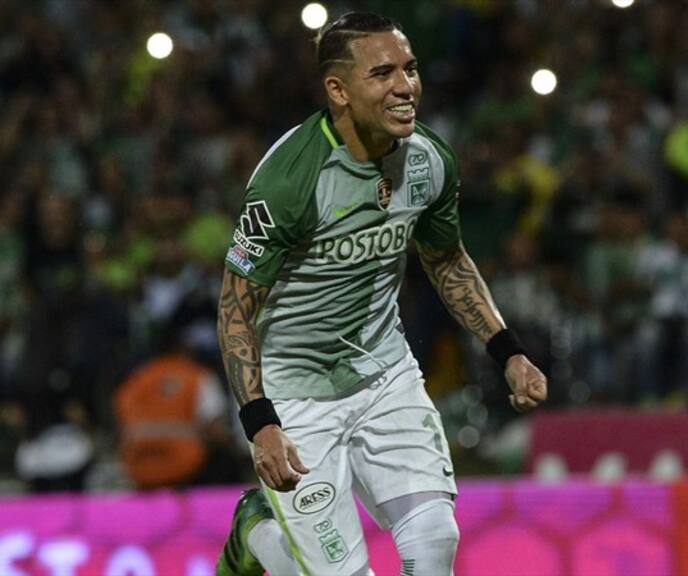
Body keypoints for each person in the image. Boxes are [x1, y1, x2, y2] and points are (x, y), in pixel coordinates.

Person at [216, 12, 547, 576]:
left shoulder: (428, 160)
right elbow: (235, 310)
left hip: (383, 373)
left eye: (411, 69)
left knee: (435, 539)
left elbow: (446, 260)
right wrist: (260, 423)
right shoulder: (289, 182)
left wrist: (507, 350)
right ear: (338, 90)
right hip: (294, 395)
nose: (406, 86)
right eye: (384, 73)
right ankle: (258, 532)